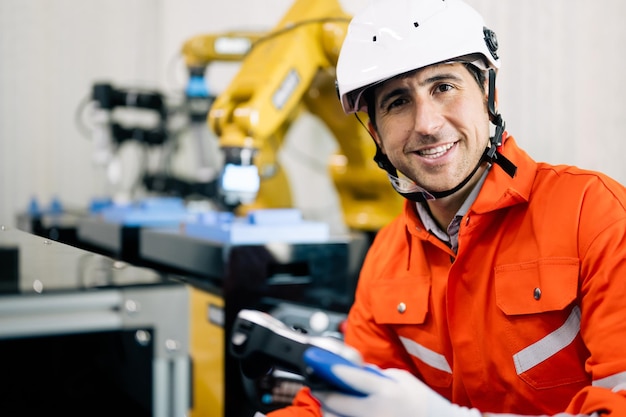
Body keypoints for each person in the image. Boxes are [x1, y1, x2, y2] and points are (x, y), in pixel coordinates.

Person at [261, 0, 626, 415]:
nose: (427, 124)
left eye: (443, 87)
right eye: (397, 101)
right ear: (376, 134)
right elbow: (341, 401)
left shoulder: (595, 216)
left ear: (488, 92)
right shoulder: (388, 258)